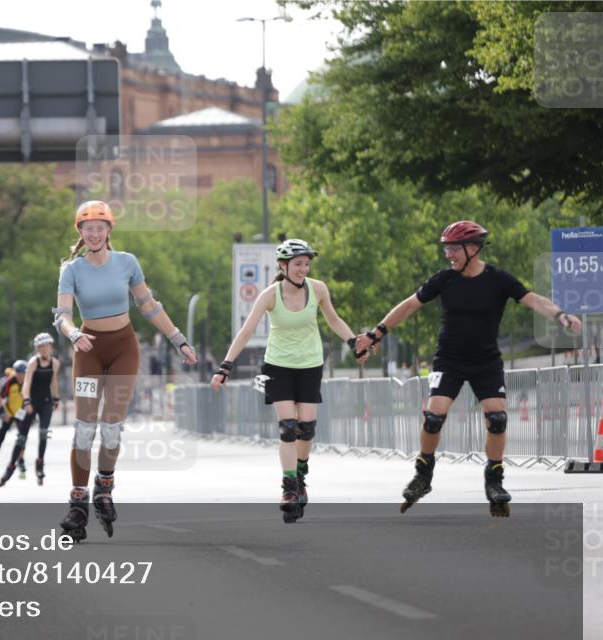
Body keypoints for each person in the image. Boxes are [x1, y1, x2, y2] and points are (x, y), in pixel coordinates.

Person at [355, 221, 582, 517]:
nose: (449, 254)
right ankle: (423, 472)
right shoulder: (445, 279)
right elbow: (409, 305)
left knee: (497, 418)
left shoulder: (498, 279)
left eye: (453, 248)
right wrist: (376, 333)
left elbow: (532, 299)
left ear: (472, 249)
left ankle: (494, 480)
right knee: (434, 417)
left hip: (486, 360)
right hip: (449, 359)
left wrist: (561, 315)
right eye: (446, 248)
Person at [53, 200, 197, 540]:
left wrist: (179, 340)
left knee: (112, 427)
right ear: (80, 233)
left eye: (99, 227)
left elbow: (148, 306)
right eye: (87, 228)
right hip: (87, 351)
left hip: (123, 349)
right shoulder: (71, 269)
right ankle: (77, 500)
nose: (93, 233)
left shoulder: (127, 263)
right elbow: (61, 314)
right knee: (85, 429)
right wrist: (74, 334)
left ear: (108, 231)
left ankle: (104, 486)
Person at [211, 239, 366, 523]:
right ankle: (289, 487)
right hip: (278, 366)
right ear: (283, 266)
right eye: (297, 264)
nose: (303, 269)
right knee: (288, 428)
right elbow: (246, 332)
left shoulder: (318, 289)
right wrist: (225, 366)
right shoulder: (270, 295)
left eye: (306, 264)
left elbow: (333, 319)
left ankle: (301, 472)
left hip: (310, 364)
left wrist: (354, 342)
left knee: (306, 429)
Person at [0, 332, 61, 487]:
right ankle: (11, 467)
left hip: (46, 402)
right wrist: (26, 401)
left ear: (50, 347)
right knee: (21, 437)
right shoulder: (33, 362)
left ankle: (40, 465)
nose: (45, 350)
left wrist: (56, 398)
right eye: (41, 347)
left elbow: (53, 381)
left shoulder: (55, 363)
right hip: (31, 402)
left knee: (44, 433)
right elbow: (26, 384)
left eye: (47, 346)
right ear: (37, 349)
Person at [0, 360, 27, 476]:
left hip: (20, 413)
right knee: (0, 436)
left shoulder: (28, 382)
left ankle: (21, 460)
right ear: (15, 372)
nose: (21, 376)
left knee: (22, 437)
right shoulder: (9, 382)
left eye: (23, 373)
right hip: (8, 412)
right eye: (19, 373)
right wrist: (3, 414)